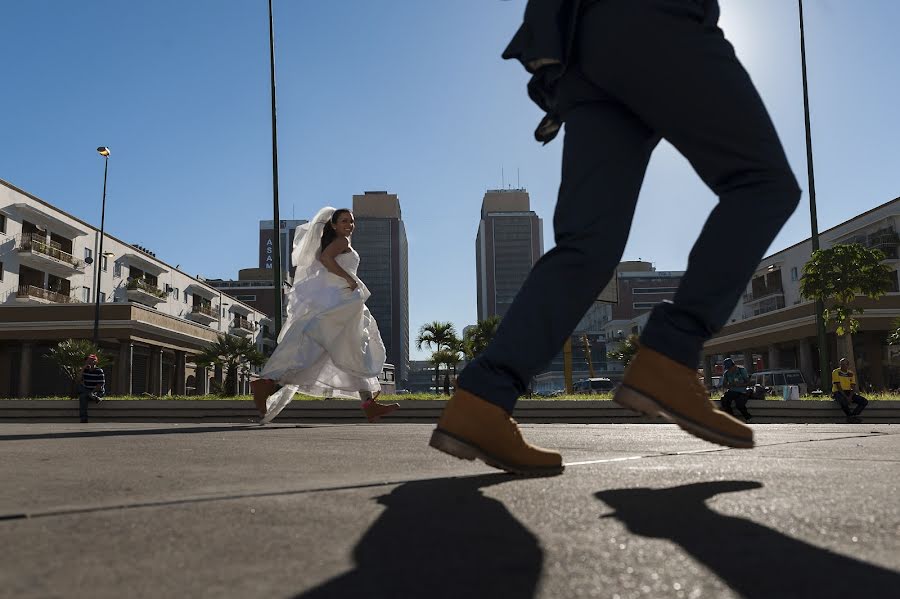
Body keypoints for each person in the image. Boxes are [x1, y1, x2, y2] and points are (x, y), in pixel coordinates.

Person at [429, 0, 801, 475]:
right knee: (764, 184)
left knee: (587, 244)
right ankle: (671, 352)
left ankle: (481, 400)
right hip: (661, 21)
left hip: (588, 47)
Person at [250, 207, 399, 424]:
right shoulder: (341, 242)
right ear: (334, 225)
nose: (349, 225)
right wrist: (349, 279)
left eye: (352, 221)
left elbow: (325, 260)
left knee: (352, 348)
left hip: (343, 300)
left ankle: (369, 404)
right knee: (340, 346)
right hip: (340, 300)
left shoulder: (340, 241)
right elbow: (326, 259)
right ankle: (269, 384)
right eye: (344, 221)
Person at [832, 358, 868, 423]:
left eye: (844, 364)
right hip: (838, 392)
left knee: (864, 401)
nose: (842, 366)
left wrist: (850, 397)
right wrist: (847, 398)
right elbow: (838, 387)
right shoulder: (835, 372)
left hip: (848, 392)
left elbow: (853, 386)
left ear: (848, 365)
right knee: (843, 401)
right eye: (841, 364)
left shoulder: (851, 373)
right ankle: (851, 416)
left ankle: (853, 415)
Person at [78, 354, 105, 421]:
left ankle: (95, 397)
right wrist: (82, 369)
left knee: (87, 394)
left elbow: (100, 385)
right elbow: (78, 380)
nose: (89, 361)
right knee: (83, 397)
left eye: (92, 360)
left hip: (97, 391)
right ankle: (83, 419)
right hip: (87, 390)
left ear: (96, 362)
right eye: (88, 360)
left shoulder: (99, 371)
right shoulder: (84, 370)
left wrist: (92, 392)